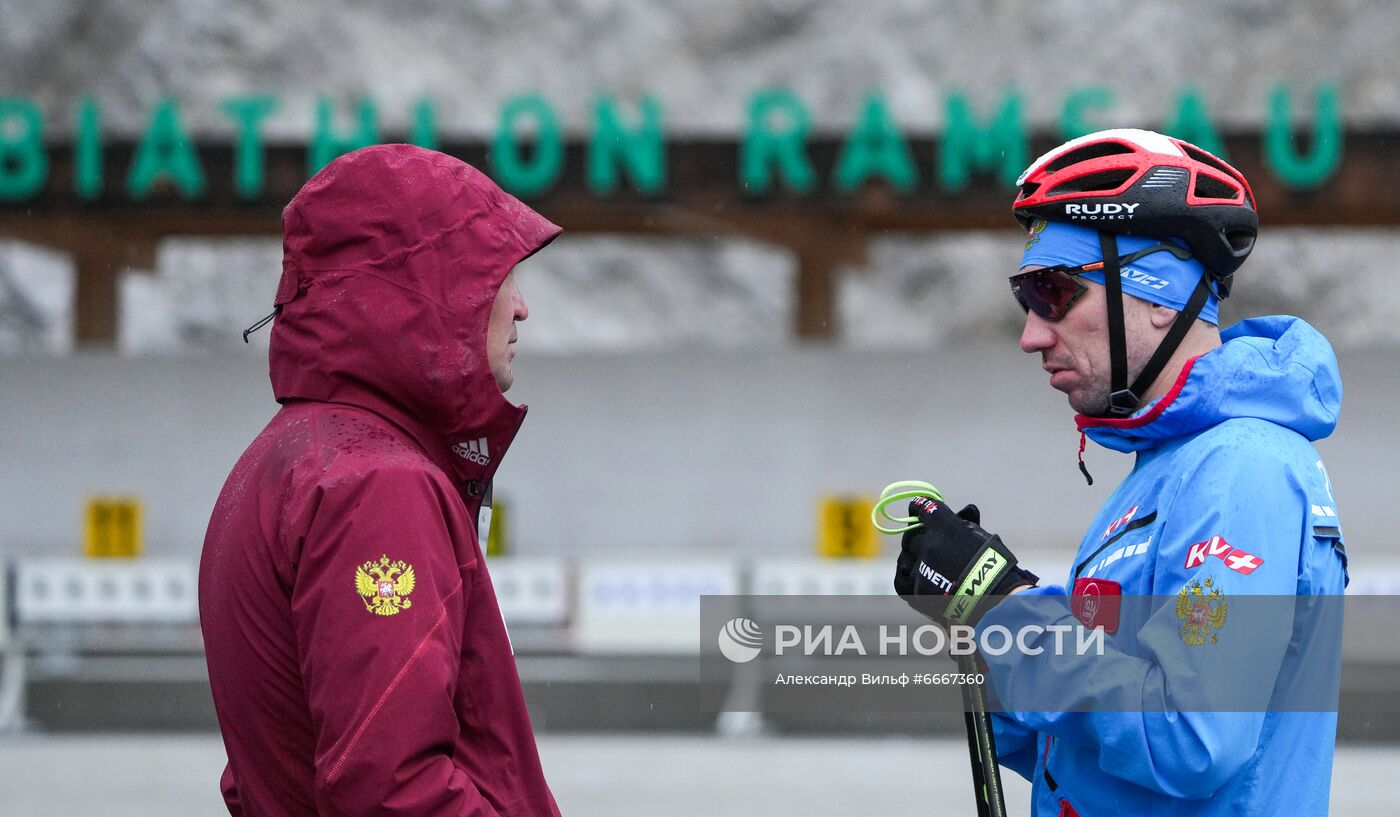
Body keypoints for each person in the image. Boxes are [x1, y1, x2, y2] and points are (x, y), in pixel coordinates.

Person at [893, 129, 1348, 815]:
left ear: (1161, 293)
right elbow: (1085, 753)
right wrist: (976, 616)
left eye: (1053, 293)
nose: (1032, 333)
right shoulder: (1164, 471)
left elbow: (1190, 742)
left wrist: (1008, 610)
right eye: (1026, 301)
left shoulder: (1242, 468)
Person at [199, 144, 562, 816]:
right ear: (436, 288)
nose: (521, 308)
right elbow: (390, 791)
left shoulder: (288, 458)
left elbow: (262, 770)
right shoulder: (375, 484)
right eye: (501, 276)